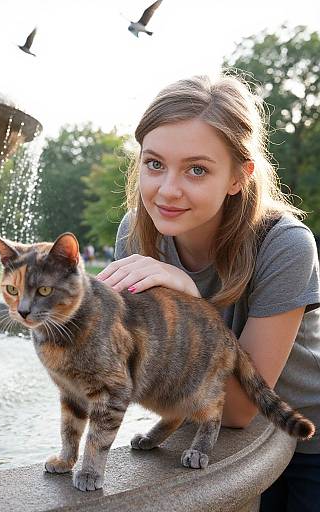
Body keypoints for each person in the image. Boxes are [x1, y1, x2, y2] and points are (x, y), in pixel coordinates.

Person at [96, 74, 320, 512]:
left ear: (239, 176)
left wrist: (188, 302)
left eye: (196, 169)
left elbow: (238, 410)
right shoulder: (137, 234)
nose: (167, 190)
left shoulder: (286, 245)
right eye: (154, 164)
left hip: (307, 438)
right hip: (218, 440)